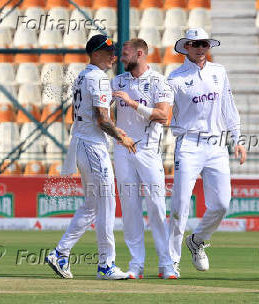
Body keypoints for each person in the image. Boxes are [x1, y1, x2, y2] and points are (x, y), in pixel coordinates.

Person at [45, 34, 136, 280]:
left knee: (93, 206)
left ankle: (60, 253)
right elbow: (102, 119)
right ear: (95, 53)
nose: (113, 57)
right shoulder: (96, 77)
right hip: (92, 147)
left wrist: (114, 131)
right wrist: (121, 137)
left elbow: (92, 118)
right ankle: (106, 265)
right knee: (106, 205)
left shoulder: (83, 75)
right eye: (108, 53)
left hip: (84, 143)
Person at [167, 28, 247, 276]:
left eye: (204, 44)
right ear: (186, 48)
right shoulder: (175, 78)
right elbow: (165, 112)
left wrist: (238, 139)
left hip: (216, 144)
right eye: (195, 44)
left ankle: (198, 240)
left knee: (222, 203)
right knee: (180, 204)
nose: (200, 48)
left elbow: (228, 106)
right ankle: (171, 262)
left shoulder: (219, 72)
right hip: (188, 143)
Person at [110, 38, 178, 280]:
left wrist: (133, 104)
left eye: (126, 54)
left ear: (140, 53)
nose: (121, 58)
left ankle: (166, 263)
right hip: (122, 150)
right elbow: (104, 112)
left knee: (157, 207)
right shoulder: (117, 81)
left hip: (148, 151)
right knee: (130, 209)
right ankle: (136, 264)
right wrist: (115, 131)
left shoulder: (159, 81)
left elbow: (164, 116)